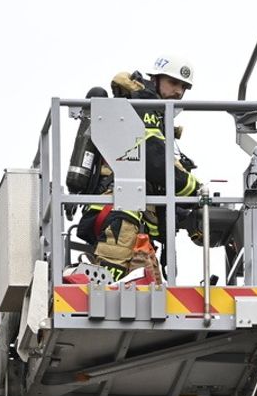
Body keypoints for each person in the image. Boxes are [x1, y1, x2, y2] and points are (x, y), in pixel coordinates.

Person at [77, 55, 202, 282]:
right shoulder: (144, 106)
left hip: (134, 219)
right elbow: (154, 163)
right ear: (155, 79)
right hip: (120, 214)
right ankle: (89, 276)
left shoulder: (151, 112)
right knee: (107, 287)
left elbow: (158, 182)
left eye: (183, 87)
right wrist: (196, 189)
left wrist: (188, 217)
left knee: (145, 286)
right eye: (173, 83)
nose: (178, 92)